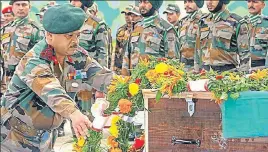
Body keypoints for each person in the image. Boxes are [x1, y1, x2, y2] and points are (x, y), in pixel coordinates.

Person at [0, 4, 113, 151]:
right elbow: (52, 91)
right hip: (13, 138)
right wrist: (74, 113)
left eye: (77, 35)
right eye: (69, 36)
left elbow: (102, 76)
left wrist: (132, 86)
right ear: (49, 36)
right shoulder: (35, 60)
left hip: (45, 137)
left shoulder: (76, 54)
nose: (75, 41)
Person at [122, 0, 180, 76]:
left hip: (154, 85)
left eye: (146, 2)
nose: (142, 5)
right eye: (140, 2)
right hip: (134, 84)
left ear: (155, 4)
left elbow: (173, 64)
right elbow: (127, 57)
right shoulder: (136, 27)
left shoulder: (166, 29)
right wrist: (124, 80)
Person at [0, 0, 44, 98]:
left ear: (29, 7)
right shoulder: (5, 29)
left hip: (25, 80)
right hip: (7, 79)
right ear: (12, 7)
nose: (21, 8)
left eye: (24, 5)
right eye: (17, 5)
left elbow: (41, 57)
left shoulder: (36, 29)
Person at [194, 0, 250, 72]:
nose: (209, 2)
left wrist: (243, 77)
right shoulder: (203, 21)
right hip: (205, 73)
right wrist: (196, 72)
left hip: (227, 74)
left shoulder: (237, 22)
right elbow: (197, 51)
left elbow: (245, 54)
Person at [70, 0, 110, 68]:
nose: (72, 3)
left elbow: (102, 55)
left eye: (76, 0)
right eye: (71, 0)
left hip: (89, 71)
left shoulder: (97, 24)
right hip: (69, 70)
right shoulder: (67, 22)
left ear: (86, 3)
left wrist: (101, 75)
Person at [179, 0, 204, 70]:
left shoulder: (204, 20)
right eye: (185, 2)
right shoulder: (183, 21)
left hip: (199, 68)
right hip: (183, 67)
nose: (186, 5)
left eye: (190, 1)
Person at [244, 0, 268, 69]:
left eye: (255, 2)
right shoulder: (240, 23)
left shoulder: (266, 23)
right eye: (249, 1)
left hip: (261, 69)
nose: (251, 5)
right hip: (242, 68)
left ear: (263, 5)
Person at [111, 5, 133, 75]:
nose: (126, 16)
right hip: (120, 67)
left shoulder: (138, 30)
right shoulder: (120, 30)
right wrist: (114, 68)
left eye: (129, 14)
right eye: (125, 14)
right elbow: (117, 50)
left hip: (133, 67)